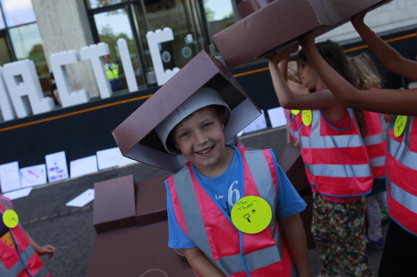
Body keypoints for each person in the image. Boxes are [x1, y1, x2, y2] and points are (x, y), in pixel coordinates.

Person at [298, 8, 417, 277]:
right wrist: (360, 25)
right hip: (405, 223)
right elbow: (393, 62)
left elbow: (352, 97)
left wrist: (309, 47)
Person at [159, 87, 311, 276]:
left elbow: (291, 222)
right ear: (175, 144)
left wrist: (305, 273)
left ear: (222, 122)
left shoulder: (263, 164)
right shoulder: (178, 191)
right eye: (185, 134)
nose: (201, 139)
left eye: (206, 125)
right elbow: (193, 253)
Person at [268, 42, 375, 277]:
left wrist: (272, 63)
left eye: (304, 66)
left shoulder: (332, 96)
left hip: (343, 193)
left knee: (350, 255)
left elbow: (287, 100)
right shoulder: (319, 98)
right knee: (324, 241)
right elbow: (285, 88)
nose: (301, 73)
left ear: (322, 66)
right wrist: (280, 60)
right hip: (324, 191)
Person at [348, 54, 389, 250]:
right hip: (383, 160)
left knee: (371, 202)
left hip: (368, 164)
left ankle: (375, 237)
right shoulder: (377, 95)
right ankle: (400, 221)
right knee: (384, 196)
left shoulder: (357, 104)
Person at [278, 55, 310, 144]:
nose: (285, 88)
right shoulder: (288, 102)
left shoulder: (311, 97)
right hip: (298, 144)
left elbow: (282, 80)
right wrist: (289, 140)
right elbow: (289, 122)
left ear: (299, 82)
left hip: (305, 143)